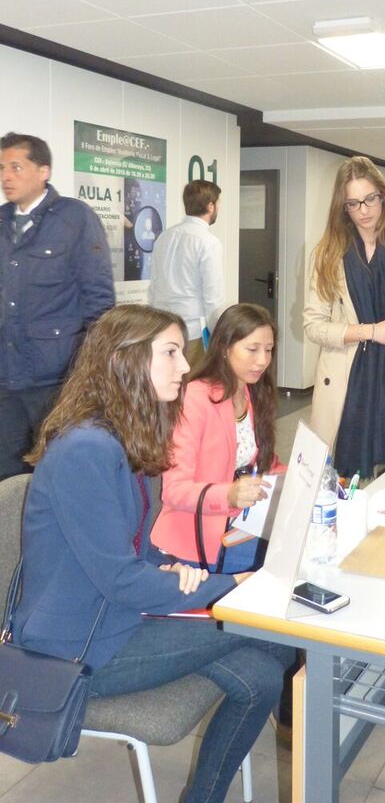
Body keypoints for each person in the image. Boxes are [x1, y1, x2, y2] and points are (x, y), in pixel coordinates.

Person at [14, 304, 293, 803]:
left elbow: (129, 556)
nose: (185, 366)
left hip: (120, 615)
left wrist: (167, 570)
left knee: (263, 675)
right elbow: (118, 579)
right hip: (77, 648)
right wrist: (230, 586)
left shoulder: (126, 438)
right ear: (125, 361)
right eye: (169, 353)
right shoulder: (86, 449)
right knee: (271, 638)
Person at [0, 131, 115, 482]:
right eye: (2, 167)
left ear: (44, 170)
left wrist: (92, 367)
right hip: (6, 374)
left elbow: (99, 298)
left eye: (16, 167)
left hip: (57, 375)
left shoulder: (75, 219)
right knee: (7, 470)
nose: (6, 176)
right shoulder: (2, 221)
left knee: (57, 467)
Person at [304, 155, 385, 478]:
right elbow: (313, 326)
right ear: (342, 207)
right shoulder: (328, 253)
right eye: (353, 203)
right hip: (347, 375)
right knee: (343, 475)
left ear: (383, 195)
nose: (364, 211)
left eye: (370, 199)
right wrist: (372, 331)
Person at [152, 304, 283, 573]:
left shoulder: (250, 392)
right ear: (224, 348)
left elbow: (265, 464)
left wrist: (307, 477)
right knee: (279, 565)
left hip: (238, 523)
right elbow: (174, 490)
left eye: (268, 350)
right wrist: (229, 496)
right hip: (196, 538)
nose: (262, 360)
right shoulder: (195, 399)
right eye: (252, 349)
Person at [149, 179, 225, 365]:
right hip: (194, 333)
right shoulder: (208, 242)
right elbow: (212, 296)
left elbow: (154, 284)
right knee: (192, 387)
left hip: (162, 328)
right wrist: (219, 334)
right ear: (211, 206)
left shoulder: (164, 237)